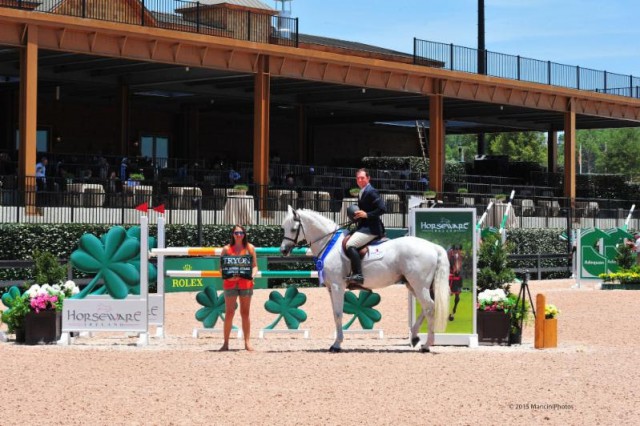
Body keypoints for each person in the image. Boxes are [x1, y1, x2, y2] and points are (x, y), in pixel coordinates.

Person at [345, 168, 386, 288]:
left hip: (371, 229)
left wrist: (367, 215)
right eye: (358, 178)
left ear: (368, 178)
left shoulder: (371, 191)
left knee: (350, 245)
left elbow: (382, 209)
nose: (359, 180)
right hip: (363, 226)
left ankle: (358, 275)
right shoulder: (362, 191)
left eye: (362, 178)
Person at [220, 225, 258, 351]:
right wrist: (228, 277)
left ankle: (247, 343)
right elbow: (222, 269)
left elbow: (254, 266)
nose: (239, 235)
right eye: (236, 233)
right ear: (232, 234)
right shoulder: (226, 249)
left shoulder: (250, 248)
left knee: (245, 313)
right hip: (230, 284)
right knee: (229, 313)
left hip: (246, 283)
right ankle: (225, 343)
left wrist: (252, 276)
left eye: (241, 233)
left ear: (244, 234)